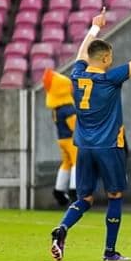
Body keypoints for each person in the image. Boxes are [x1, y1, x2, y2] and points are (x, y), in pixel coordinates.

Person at [50, 8, 131, 261]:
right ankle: (109, 251)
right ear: (106, 58)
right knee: (114, 196)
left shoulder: (76, 75)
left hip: (83, 147)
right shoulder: (109, 79)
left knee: (84, 198)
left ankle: (62, 228)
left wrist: (95, 28)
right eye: (111, 56)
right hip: (109, 146)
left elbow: (81, 54)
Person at [42, 68, 78, 207]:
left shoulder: (56, 109)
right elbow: (75, 126)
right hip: (71, 139)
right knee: (77, 162)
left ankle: (59, 190)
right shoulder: (68, 108)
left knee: (66, 163)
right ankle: (75, 191)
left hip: (61, 139)